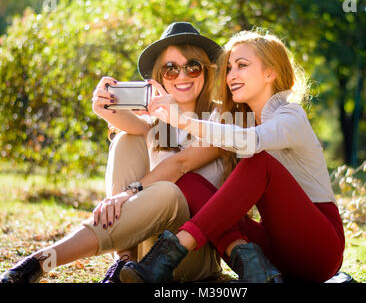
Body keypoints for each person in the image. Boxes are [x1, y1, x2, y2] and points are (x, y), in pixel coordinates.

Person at [0, 22, 227, 283]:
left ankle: (40, 261)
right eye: (171, 69)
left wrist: (129, 193)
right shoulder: (159, 123)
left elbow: (180, 164)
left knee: (168, 190)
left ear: (207, 71)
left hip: (190, 251)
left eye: (192, 66)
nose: (182, 76)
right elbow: (135, 128)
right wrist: (103, 108)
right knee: (125, 140)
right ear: (159, 77)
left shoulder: (223, 119)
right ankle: (123, 261)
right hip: (143, 249)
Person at [118, 29, 345, 283]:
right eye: (228, 68)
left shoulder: (291, 116)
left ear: (270, 73)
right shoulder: (243, 122)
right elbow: (194, 147)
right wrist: (144, 116)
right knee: (187, 180)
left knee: (258, 160)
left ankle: (165, 257)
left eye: (242, 65)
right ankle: (255, 267)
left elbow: (252, 141)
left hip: (320, 250)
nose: (231, 75)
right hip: (277, 250)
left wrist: (181, 121)